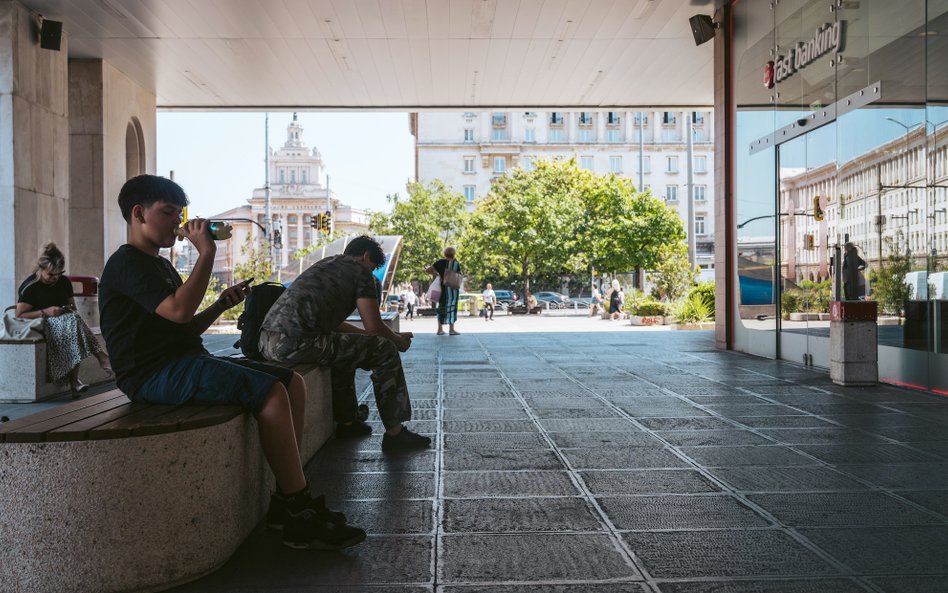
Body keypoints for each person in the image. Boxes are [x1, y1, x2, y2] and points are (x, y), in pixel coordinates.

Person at [98, 174, 365, 551]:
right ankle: (297, 510)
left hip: (181, 359)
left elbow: (185, 326)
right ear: (139, 213)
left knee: (291, 382)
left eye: (180, 213)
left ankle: (286, 496)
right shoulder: (127, 263)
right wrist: (207, 253)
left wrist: (221, 304)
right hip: (151, 375)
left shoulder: (157, 265)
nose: (178, 222)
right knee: (271, 392)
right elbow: (177, 310)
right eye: (169, 213)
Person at [258, 235, 431, 452]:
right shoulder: (360, 272)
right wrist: (397, 341)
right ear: (365, 256)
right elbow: (374, 327)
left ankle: (349, 422)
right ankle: (395, 433)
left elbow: (338, 326)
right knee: (385, 350)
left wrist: (367, 337)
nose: (373, 272)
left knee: (346, 348)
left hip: (268, 342)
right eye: (373, 266)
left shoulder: (325, 265)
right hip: (295, 343)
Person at [16, 242, 112, 397]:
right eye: (51, 275)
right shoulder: (30, 286)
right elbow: (20, 315)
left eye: (58, 274)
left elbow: (73, 308)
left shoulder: (64, 282)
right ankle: (99, 359)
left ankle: (77, 382)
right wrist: (45, 311)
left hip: (65, 322)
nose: (54, 278)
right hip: (41, 322)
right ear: (41, 269)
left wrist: (66, 310)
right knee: (73, 323)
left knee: (73, 321)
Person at [426, 247, 462, 336]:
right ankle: (451, 329)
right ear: (454, 254)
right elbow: (458, 275)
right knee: (452, 308)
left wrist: (437, 274)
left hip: (443, 289)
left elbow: (427, 270)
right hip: (453, 290)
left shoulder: (440, 262)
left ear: (444, 254)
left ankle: (440, 329)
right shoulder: (456, 263)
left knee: (441, 308)